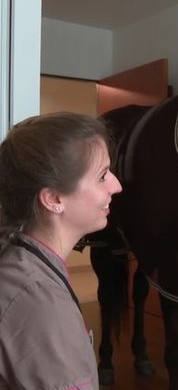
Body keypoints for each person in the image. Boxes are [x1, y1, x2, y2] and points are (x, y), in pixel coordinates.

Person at [0, 112, 122, 389]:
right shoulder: (38, 300)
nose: (117, 185)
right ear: (54, 199)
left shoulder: (23, 263)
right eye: (102, 175)